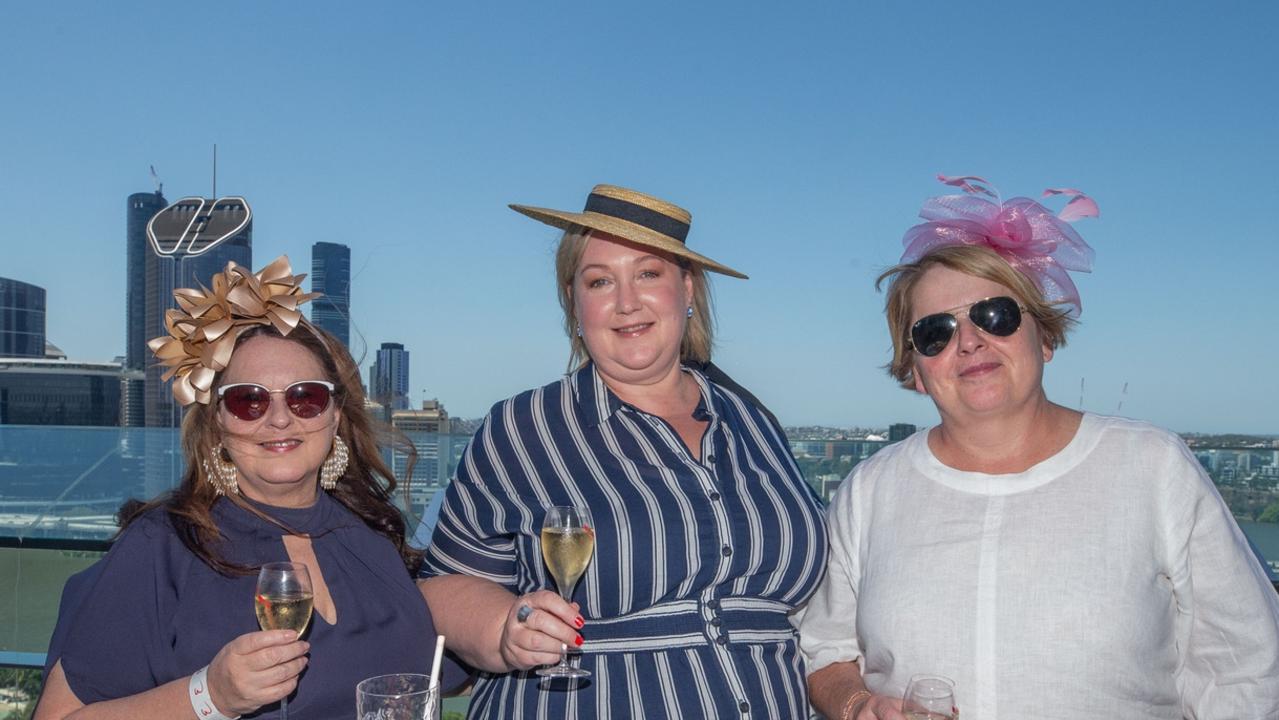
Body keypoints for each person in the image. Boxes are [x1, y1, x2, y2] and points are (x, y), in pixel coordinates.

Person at [800, 175, 1279, 719]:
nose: (969, 341)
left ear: (1044, 336)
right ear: (914, 370)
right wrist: (857, 704)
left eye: (994, 315)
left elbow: (1245, 667)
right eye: (935, 332)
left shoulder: (1152, 467)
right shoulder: (871, 489)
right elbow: (826, 649)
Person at [419, 184, 829, 718]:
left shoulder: (755, 424)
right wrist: (504, 632)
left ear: (688, 288)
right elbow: (443, 587)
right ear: (574, 301)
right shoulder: (523, 427)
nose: (626, 301)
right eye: (599, 281)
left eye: (648, 274)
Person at [35, 257, 463, 720]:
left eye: (305, 396)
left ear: (335, 414)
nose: (279, 418)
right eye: (249, 400)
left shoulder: (373, 536)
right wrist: (209, 696)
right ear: (216, 423)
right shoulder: (163, 547)